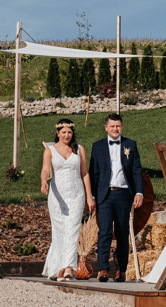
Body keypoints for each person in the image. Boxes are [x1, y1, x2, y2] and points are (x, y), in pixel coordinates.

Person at [89, 113, 143, 283]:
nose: (115, 129)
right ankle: (103, 268)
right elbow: (94, 173)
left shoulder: (130, 145)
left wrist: (139, 192)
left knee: (122, 232)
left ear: (122, 126)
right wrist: (91, 196)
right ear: (106, 128)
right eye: (112, 126)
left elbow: (136, 171)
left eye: (118, 126)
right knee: (104, 232)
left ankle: (121, 270)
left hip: (123, 194)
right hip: (104, 195)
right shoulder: (97, 147)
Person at [40, 118, 95, 281]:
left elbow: (85, 173)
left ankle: (69, 267)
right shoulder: (50, 150)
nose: (67, 135)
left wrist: (90, 197)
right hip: (57, 197)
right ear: (57, 133)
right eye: (63, 132)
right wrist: (44, 181)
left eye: (70, 132)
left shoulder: (79, 149)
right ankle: (58, 268)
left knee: (72, 230)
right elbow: (45, 169)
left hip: (76, 195)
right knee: (60, 231)